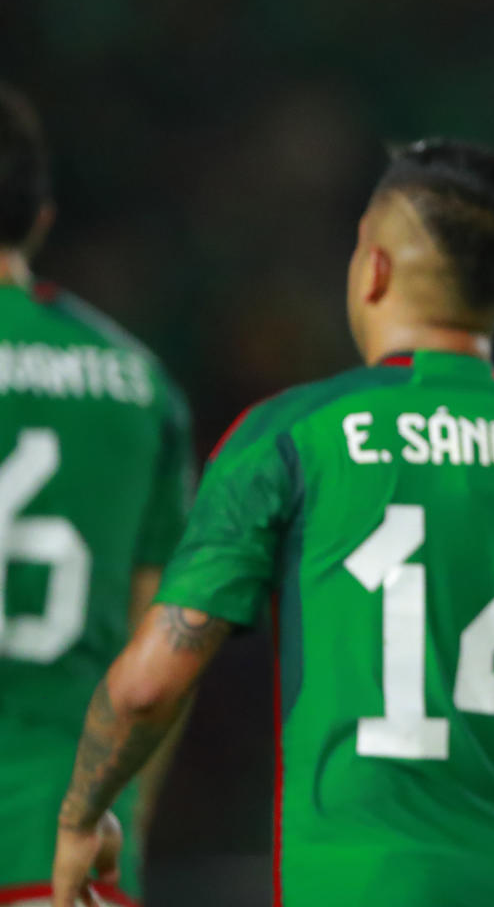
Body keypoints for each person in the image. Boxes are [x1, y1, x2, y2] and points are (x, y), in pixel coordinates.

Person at [52, 139, 494, 907]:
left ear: (372, 268)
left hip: (358, 885)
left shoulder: (291, 435)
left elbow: (149, 685)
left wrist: (83, 813)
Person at [0, 83, 194, 907]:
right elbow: (170, 640)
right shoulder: (141, 385)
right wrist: (126, 811)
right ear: (41, 219)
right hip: (68, 838)